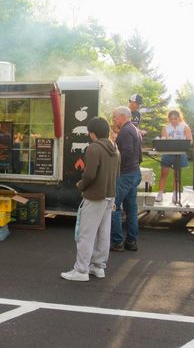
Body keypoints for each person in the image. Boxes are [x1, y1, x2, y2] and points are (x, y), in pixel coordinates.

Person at [61, 117, 120, 281]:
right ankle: (98, 267)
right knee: (103, 233)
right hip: (110, 195)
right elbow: (117, 174)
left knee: (85, 234)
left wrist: (80, 185)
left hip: (95, 196)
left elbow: (89, 174)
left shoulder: (94, 148)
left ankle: (81, 270)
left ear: (92, 133)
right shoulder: (115, 148)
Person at [110, 106, 142, 252]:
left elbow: (127, 152)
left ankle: (117, 242)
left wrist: (115, 165)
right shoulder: (134, 129)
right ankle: (131, 242)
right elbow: (138, 155)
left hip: (125, 174)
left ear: (122, 116)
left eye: (115, 117)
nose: (113, 120)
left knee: (114, 207)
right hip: (134, 172)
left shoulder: (127, 131)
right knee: (131, 209)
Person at [155, 110, 193, 203]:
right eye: (171, 119)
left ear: (179, 118)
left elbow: (190, 140)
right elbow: (164, 139)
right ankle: (160, 194)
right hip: (168, 154)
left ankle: (175, 194)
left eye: (175, 119)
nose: (173, 121)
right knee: (164, 174)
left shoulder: (185, 127)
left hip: (179, 154)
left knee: (177, 176)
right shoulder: (166, 128)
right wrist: (162, 140)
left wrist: (184, 142)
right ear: (169, 119)